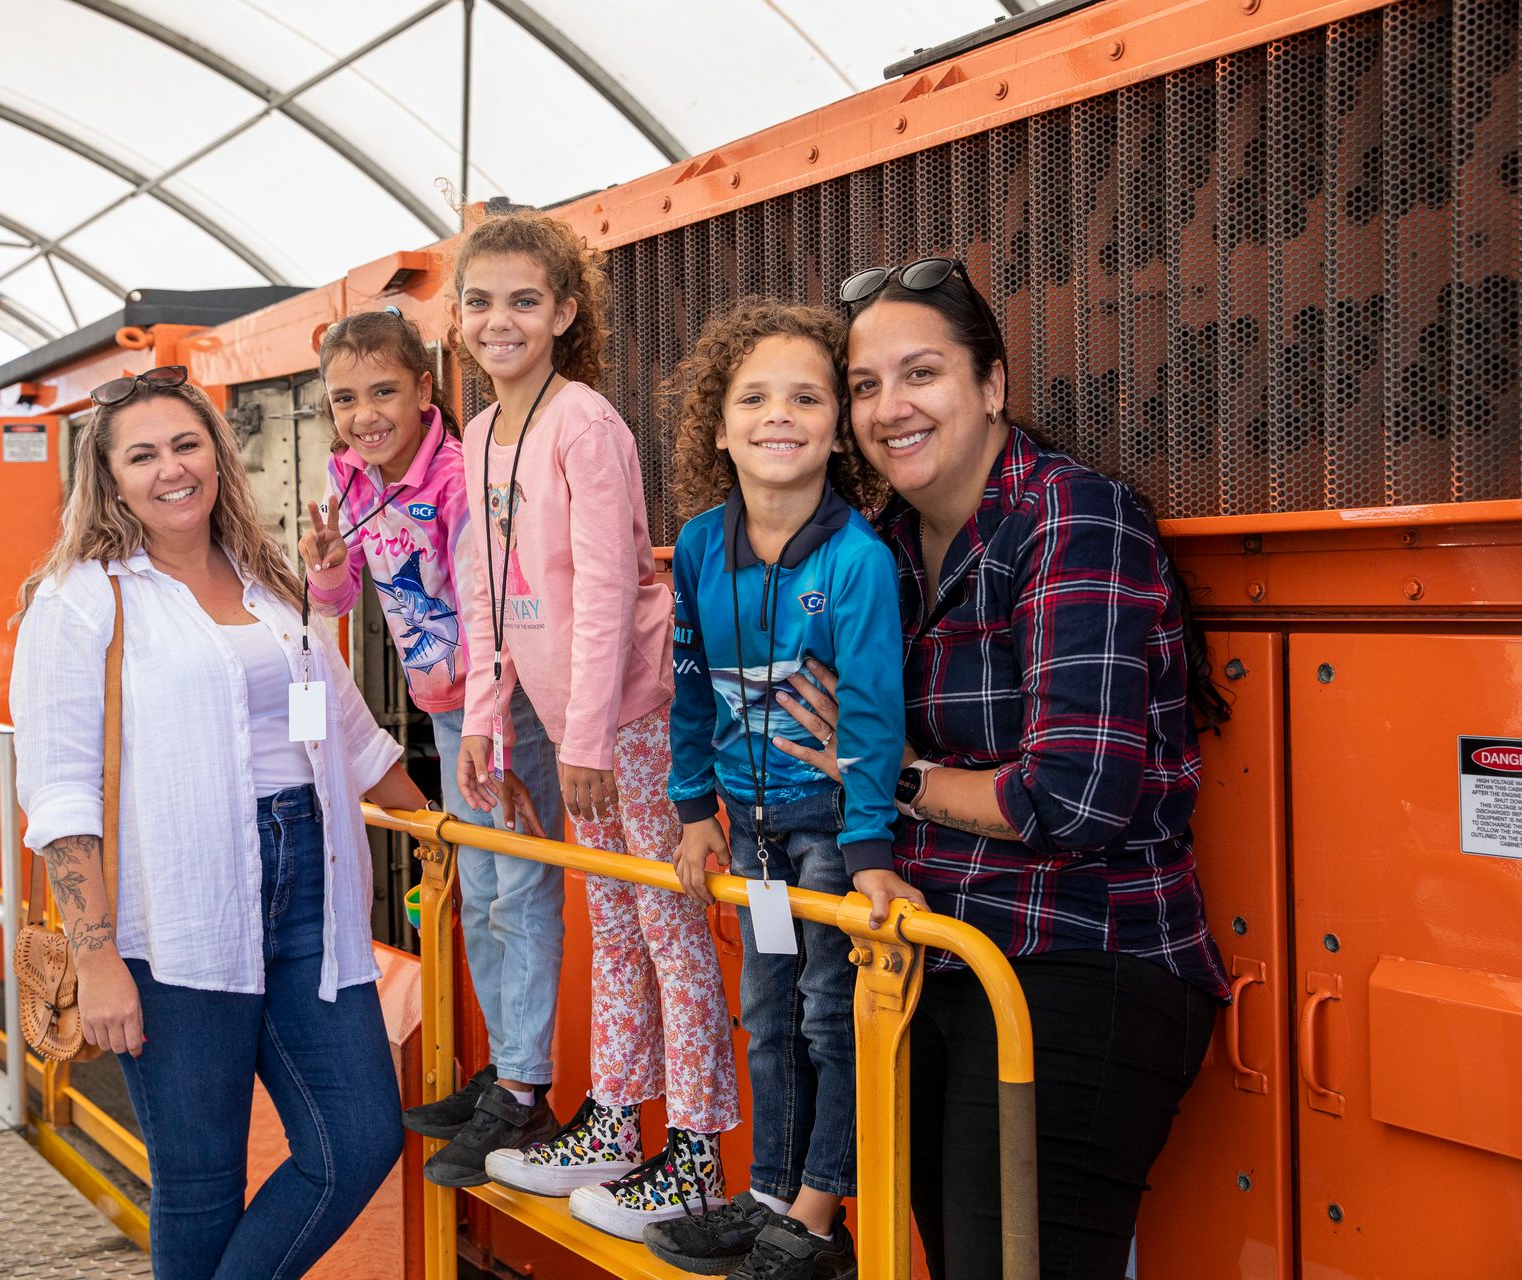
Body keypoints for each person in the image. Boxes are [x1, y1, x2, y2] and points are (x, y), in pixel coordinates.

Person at [776, 259, 1231, 1280]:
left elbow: (1072, 798)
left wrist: (891, 775)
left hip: (1082, 952)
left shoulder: (1078, 522)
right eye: (863, 385)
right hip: (937, 949)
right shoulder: (877, 549)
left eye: (921, 373)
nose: (889, 406)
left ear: (992, 385)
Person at [10, 366, 426, 1280]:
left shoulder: (266, 572)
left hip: (308, 887)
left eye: (186, 444)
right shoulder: (81, 598)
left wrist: (438, 827)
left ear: (218, 454)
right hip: (176, 912)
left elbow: (340, 719)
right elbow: (62, 789)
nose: (171, 470)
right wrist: (95, 954)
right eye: (143, 455)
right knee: (199, 1180)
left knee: (357, 1138)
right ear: (109, 478)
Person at [448, 210, 740, 1240]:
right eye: (479, 300)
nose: (500, 320)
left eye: (524, 299)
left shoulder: (585, 423)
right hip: (573, 723)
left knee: (668, 924)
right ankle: (617, 1119)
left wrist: (582, 738)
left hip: (632, 718)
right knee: (611, 925)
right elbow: (484, 591)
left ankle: (697, 1149)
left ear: (566, 312)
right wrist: (485, 716)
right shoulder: (481, 436)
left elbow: (610, 585)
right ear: (457, 317)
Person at [652, 299, 908, 1280]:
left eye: (807, 396)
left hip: (830, 834)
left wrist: (873, 847)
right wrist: (692, 811)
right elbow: (685, 684)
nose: (780, 414)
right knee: (766, 1006)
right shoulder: (702, 545)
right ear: (718, 425)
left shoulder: (855, 560)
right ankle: (766, 1190)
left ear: (838, 426)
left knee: (825, 1009)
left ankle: (816, 1210)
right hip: (751, 839)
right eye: (754, 396)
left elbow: (874, 716)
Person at [294, 307, 567, 1179]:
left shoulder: (458, 479)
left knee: (519, 889)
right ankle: (506, 1075)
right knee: (481, 890)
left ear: (424, 390)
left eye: (382, 391)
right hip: (448, 710)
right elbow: (336, 606)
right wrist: (328, 559)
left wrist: (486, 724)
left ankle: (525, 1091)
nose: (364, 414)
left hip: (504, 709)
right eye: (344, 399)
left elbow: (495, 605)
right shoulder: (350, 478)